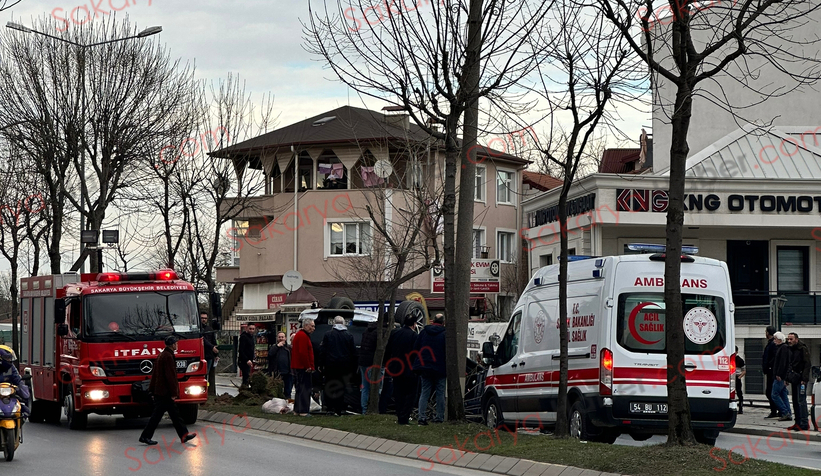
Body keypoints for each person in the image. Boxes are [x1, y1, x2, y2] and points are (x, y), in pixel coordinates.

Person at [139, 336, 197, 446]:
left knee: (174, 415)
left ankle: (184, 435)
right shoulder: (168, 357)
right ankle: (145, 436)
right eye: (176, 343)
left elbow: (155, 374)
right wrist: (174, 393)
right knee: (159, 417)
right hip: (164, 393)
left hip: (160, 391)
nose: (177, 345)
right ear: (173, 344)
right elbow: (171, 376)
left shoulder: (162, 355)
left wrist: (152, 390)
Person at [384, 314, 419, 425]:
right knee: (409, 395)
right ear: (414, 324)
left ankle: (399, 415)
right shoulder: (414, 336)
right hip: (409, 369)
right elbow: (416, 354)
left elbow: (388, 350)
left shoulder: (395, 333)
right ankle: (404, 417)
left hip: (395, 368)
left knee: (398, 394)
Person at [412, 313, 446, 425]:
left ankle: (422, 416)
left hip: (425, 367)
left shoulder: (424, 332)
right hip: (440, 367)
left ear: (433, 321)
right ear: (443, 322)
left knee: (424, 392)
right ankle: (439, 417)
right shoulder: (445, 334)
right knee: (440, 393)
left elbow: (416, 348)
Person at [320, 316, 357, 416]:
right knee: (341, 387)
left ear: (334, 323)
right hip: (344, 366)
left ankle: (330, 408)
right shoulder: (349, 335)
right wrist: (353, 367)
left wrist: (321, 364)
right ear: (343, 323)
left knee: (329, 386)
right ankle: (339, 409)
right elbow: (353, 352)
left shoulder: (328, 334)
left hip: (330, 365)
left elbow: (323, 351)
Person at [291, 319, 316, 416]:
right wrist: (308, 366)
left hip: (299, 366)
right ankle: (303, 411)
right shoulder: (303, 336)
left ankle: (297, 410)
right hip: (302, 367)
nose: (313, 328)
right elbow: (303, 352)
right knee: (305, 389)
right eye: (311, 326)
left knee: (300, 389)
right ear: (305, 326)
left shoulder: (300, 335)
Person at [787, 332, 811, 431]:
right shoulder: (789, 349)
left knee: (801, 401)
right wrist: (787, 378)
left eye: (791, 339)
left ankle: (804, 423)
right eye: (788, 339)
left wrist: (804, 379)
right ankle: (797, 422)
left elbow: (807, 364)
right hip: (794, 378)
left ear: (796, 339)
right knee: (795, 401)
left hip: (801, 379)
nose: (789, 341)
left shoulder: (802, 349)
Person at [0, 345, 30, 419]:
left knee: (25, 410)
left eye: (10, 358)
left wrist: (20, 388)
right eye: (7, 358)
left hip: (8, 393)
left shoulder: (11, 367)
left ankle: (19, 427)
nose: (9, 360)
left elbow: (17, 379)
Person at [358, 321, 381, 414]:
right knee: (376, 387)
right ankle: (373, 408)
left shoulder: (366, 331)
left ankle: (364, 410)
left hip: (363, 362)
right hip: (372, 362)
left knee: (365, 387)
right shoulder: (378, 333)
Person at [771, 332, 793, 422]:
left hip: (780, 376)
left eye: (775, 339)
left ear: (779, 339)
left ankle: (785, 412)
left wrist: (779, 374)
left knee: (775, 394)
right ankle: (788, 412)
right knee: (783, 394)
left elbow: (782, 363)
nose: (774, 341)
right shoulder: (784, 348)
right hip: (782, 375)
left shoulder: (782, 348)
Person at [268, 332, 293, 400]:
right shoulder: (274, 347)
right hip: (277, 372)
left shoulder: (289, 348)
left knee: (288, 391)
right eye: (279, 337)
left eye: (282, 337)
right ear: (277, 338)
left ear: (285, 338)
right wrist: (277, 346)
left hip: (288, 372)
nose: (281, 338)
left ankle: (288, 405)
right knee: (277, 390)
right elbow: (270, 354)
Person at [762, 325, 779, 418]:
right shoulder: (771, 343)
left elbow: (773, 357)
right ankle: (776, 410)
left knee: (770, 392)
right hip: (770, 371)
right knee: (771, 391)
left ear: (768, 332)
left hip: (771, 371)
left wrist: (769, 366)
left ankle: (775, 410)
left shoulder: (772, 344)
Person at [200, 312, 219, 379]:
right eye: (202, 318)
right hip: (200, 354)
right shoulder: (197, 329)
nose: (204, 320)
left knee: (206, 374)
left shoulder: (209, 329)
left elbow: (213, 341)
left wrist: (216, 355)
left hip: (209, 355)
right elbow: (202, 340)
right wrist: (212, 347)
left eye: (205, 318)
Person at [237, 324, 256, 389]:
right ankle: (244, 389)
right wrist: (247, 360)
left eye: (253, 329)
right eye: (250, 329)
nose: (251, 330)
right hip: (244, 361)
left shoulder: (251, 337)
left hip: (249, 360)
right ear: (247, 328)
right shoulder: (244, 337)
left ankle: (245, 388)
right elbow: (241, 350)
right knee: (246, 377)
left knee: (247, 377)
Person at [734, 346, 746, 414]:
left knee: (739, 392)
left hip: (736, 377)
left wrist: (739, 377)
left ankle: (740, 407)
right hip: (730, 377)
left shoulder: (740, 360)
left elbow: (744, 371)